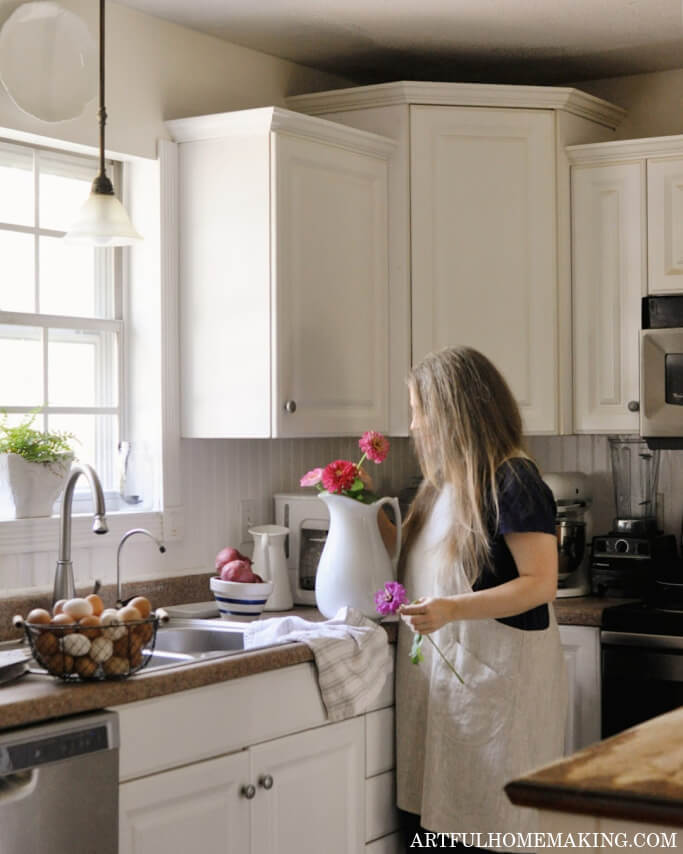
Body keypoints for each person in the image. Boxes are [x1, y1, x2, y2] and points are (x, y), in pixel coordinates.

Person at [386, 346, 568, 853]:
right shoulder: (440, 487)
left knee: (488, 832)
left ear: (451, 411)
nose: (414, 426)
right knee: (440, 828)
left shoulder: (513, 480)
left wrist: (450, 610)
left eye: (418, 411)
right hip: (446, 698)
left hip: (496, 704)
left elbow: (540, 582)